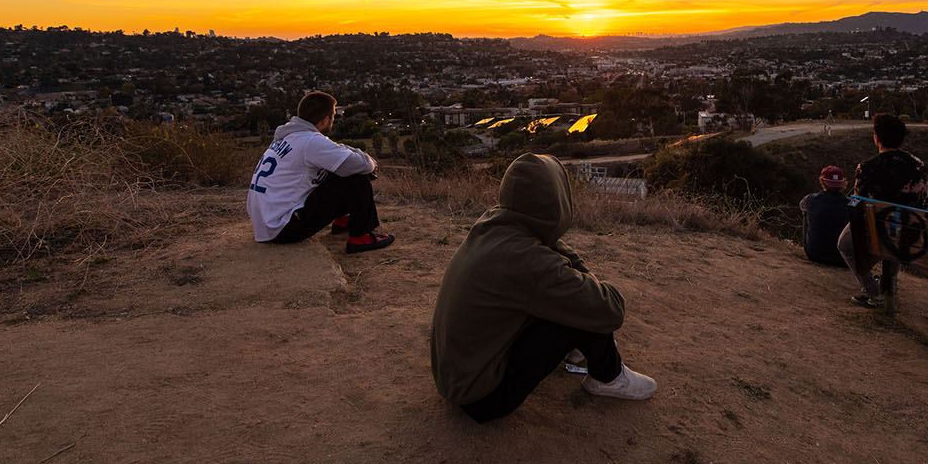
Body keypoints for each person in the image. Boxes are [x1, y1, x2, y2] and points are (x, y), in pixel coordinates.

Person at [430, 153, 656, 422]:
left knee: (563, 295)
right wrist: (574, 266)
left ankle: (579, 351)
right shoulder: (530, 262)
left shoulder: (493, 224)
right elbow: (611, 308)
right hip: (482, 397)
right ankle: (608, 377)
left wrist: (551, 244)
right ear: (558, 200)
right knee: (581, 304)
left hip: (456, 377)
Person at [246, 90, 394, 253]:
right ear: (325, 119)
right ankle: (361, 237)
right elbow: (362, 165)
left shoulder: (290, 137)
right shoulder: (311, 141)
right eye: (332, 116)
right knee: (357, 177)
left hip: (266, 223)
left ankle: (342, 220)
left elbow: (335, 150)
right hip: (284, 228)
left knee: (335, 167)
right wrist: (371, 163)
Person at [839, 113, 928, 307]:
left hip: (880, 230)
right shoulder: (919, 166)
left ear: (876, 138)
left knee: (844, 245)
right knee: (896, 227)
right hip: (909, 232)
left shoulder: (867, 168)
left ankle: (872, 291)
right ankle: (889, 284)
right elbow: (923, 201)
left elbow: (857, 204)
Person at [799, 165, 849, 267]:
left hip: (815, 255)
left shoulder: (809, 200)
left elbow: (802, 207)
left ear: (823, 182)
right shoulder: (851, 204)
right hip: (843, 259)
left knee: (806, 213)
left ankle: (810, 243)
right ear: (842, 184)